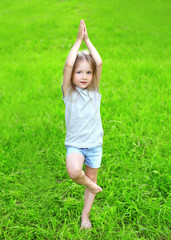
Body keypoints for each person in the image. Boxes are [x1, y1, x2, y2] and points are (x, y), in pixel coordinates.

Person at [61, 19, 104, 230]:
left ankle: (85, 216)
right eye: (79, 73)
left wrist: (88, 40)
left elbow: (99, 62)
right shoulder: (69, 93)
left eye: (88, 72)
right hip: (76, 144)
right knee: (73, 171)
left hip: (95, 144)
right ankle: (91, 185)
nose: (84, 76)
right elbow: (68, 65)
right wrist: (78, 41)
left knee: (91, 174)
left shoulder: (94, 92)